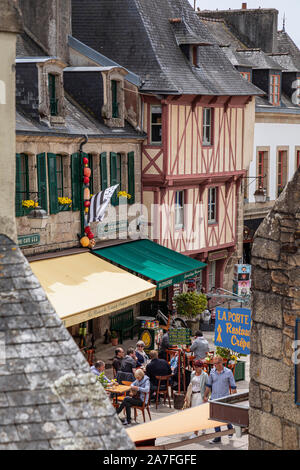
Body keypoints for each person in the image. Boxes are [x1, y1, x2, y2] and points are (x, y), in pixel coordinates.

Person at [203, 356, 237, 444]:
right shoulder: (212, 372)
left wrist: (234, 399)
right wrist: (205, 395)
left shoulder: (228, 372)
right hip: (214, 398)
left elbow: (233, 387)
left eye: (216, 363)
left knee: (225, 417)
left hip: (224, 399)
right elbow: (209, 385)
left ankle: (230, 428)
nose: (214, 365)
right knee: (215, 418)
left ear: (221, 363)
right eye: (213, 363)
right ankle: (217, 437)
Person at [183, 360, 208, 439]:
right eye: (195, 366)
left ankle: (195, 433)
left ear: (201, 367)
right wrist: (187, 396)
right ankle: (203, 426)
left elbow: (208, 386)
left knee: (196, 413)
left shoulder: (205, 375)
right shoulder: (192, 373)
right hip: (193, 395)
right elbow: (190, 385)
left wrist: (206, 396)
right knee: (197, 413)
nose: (196, 368)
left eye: (198, 367)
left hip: (200, 395)